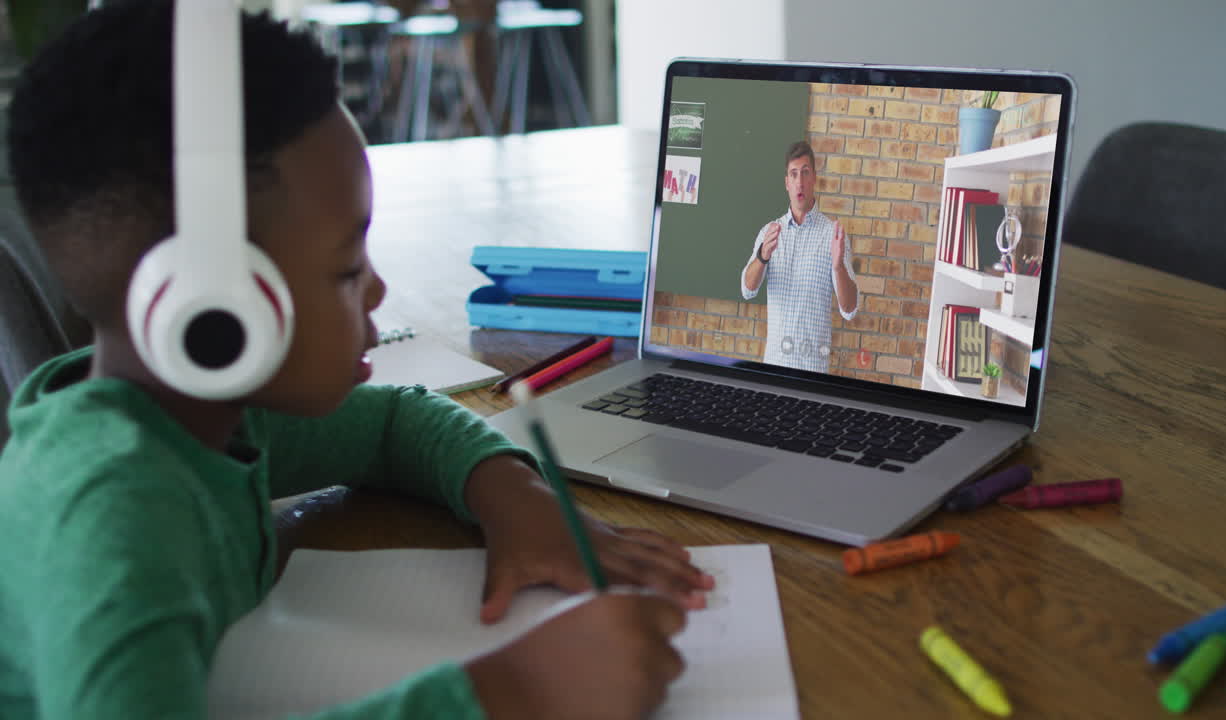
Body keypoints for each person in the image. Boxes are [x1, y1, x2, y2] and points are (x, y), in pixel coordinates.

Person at [0, 3, 711, 719]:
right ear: (214, 312)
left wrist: (517, 501)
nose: (376, 287)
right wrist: (510, 694)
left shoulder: (204, 417)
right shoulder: (113, 524)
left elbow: (392, 422)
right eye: (345, 269)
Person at [740, 141, 859, 373]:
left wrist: (838, 268)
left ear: (814, 178)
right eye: (794, 174)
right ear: (787, 183)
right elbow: (747, 289)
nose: (800, 182)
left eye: (805, 173)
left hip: (812, 372)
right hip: (774, 368)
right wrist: (763, 257)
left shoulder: (833, 235)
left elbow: (850, 309)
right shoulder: (770, 232)